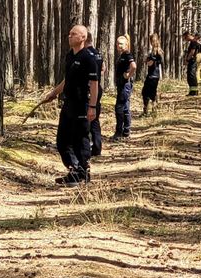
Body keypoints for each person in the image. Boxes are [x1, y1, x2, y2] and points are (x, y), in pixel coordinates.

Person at [45, 25, 99, 187]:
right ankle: (74, 170)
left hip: (82, 104)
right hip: (68, 103)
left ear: (83, 37)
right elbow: (66, 80)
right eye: (69, 34)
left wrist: (92, 107)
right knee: (62, 141)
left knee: (80, 139)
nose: (69, 36)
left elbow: (95, 84)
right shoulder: (70, 56)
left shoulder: (88, 58)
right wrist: (54, 93)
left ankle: (83, 172)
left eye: (73, 34)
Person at [112, 34, 136, 140]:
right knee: (125, 108)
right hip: (122, 85)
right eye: (117, 43)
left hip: (125, 85)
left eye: (121, 43)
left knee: (119, 108)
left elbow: (133, 66)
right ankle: (126, 131)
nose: (119, 45)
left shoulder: (127, 54)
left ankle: (119, 132)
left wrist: (128, 75)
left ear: (126, 44)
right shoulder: (122, 55)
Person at [85, 32, 104, 157]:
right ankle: (97, 147)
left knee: (86, 120)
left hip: (89, 89)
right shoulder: (98, 54)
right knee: (95, 119)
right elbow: (103, 69)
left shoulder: (85, 55)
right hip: (98, 88)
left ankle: (85, 149)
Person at [140, 33, 163, 117]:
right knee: (148, 92)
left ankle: (151, 110)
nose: (151, 42)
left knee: (148, 92)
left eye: (152, 40)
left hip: (153, 75)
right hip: (153, 75)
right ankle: (150, 110)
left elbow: (150, 63)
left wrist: (148, 60)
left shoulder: (155, 52)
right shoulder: (155, 51)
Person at [183, 31, 200, 96]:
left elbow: (192, 52)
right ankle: (192, 91)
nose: (185, 40)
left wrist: (187, 59)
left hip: (192, 60)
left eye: (185, 38)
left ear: (188, 36)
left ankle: (194, 92)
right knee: (190, 76)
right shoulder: (193, 42)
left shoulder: (193, 42)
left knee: (192, 76)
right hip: (192, 60)